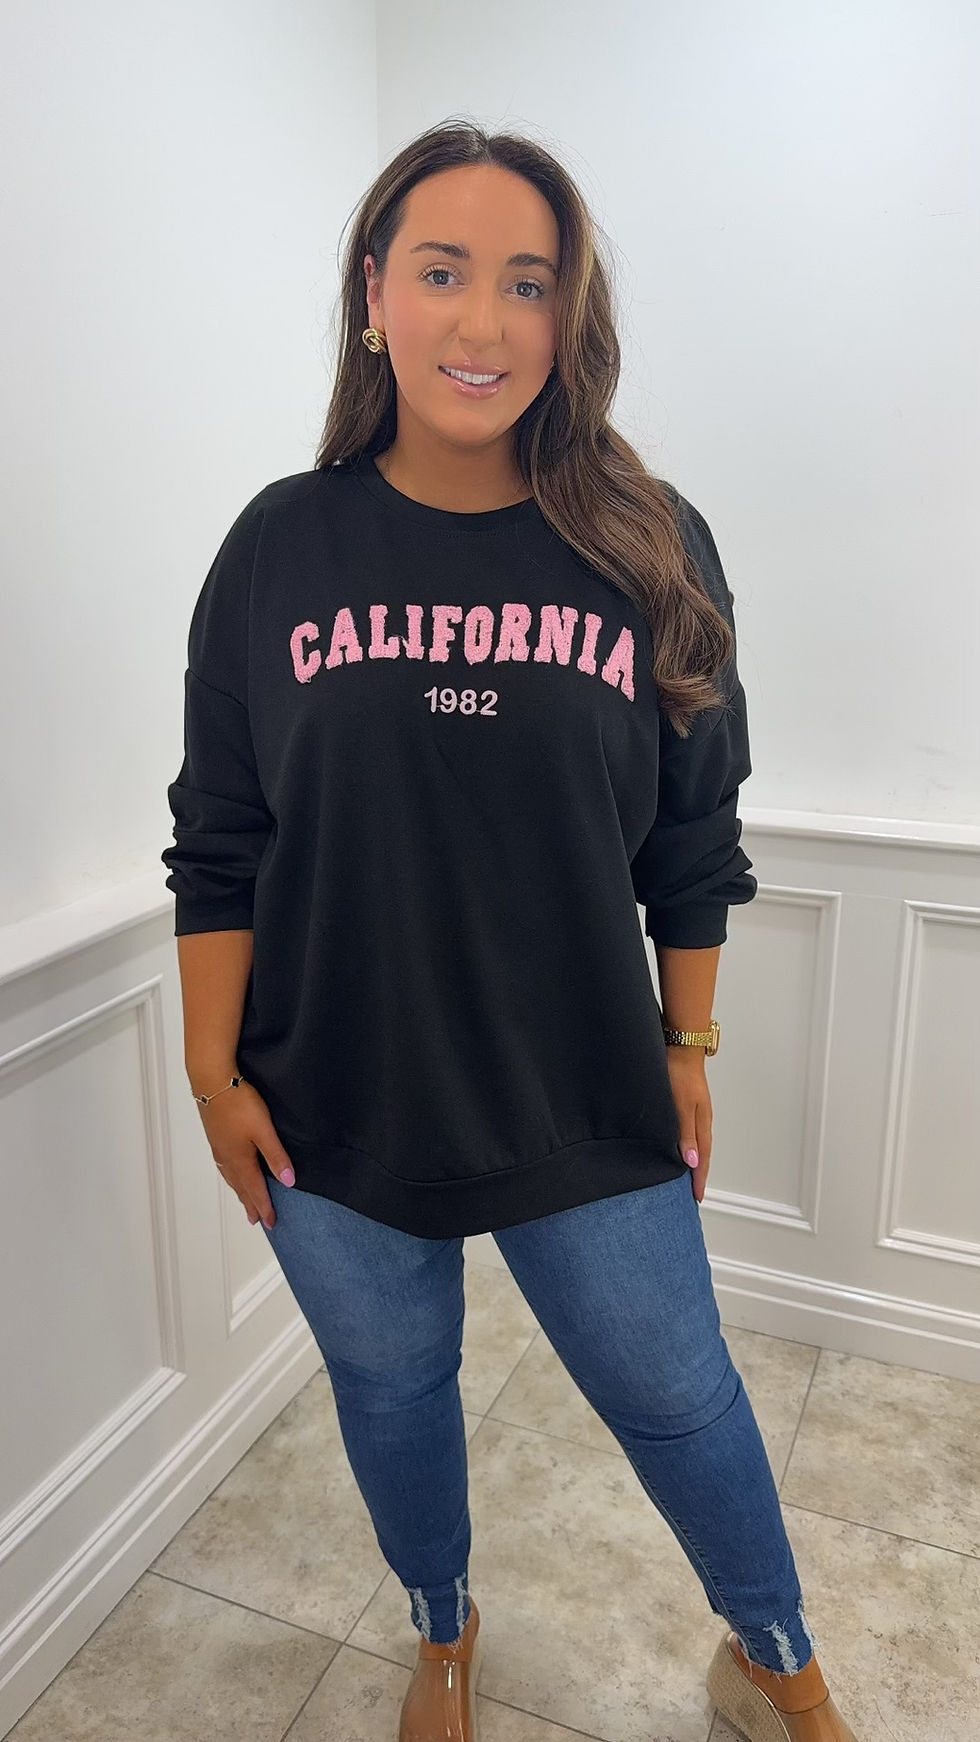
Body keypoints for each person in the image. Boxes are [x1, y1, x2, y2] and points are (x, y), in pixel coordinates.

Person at [162, 119, 859, 1742]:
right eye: (443, 271)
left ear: (568, 316)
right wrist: (211, 1073)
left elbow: (695, 836)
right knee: (394, 1394)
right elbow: (221, 839)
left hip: (579, 1083)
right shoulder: (278, 547)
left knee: (680, 1396)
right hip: (330, 1098)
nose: (483, 321)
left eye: (528, 283)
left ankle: (775, 1653)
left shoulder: (649, 540)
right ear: (374, 295)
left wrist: (688, 1043)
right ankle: (443, 1626)